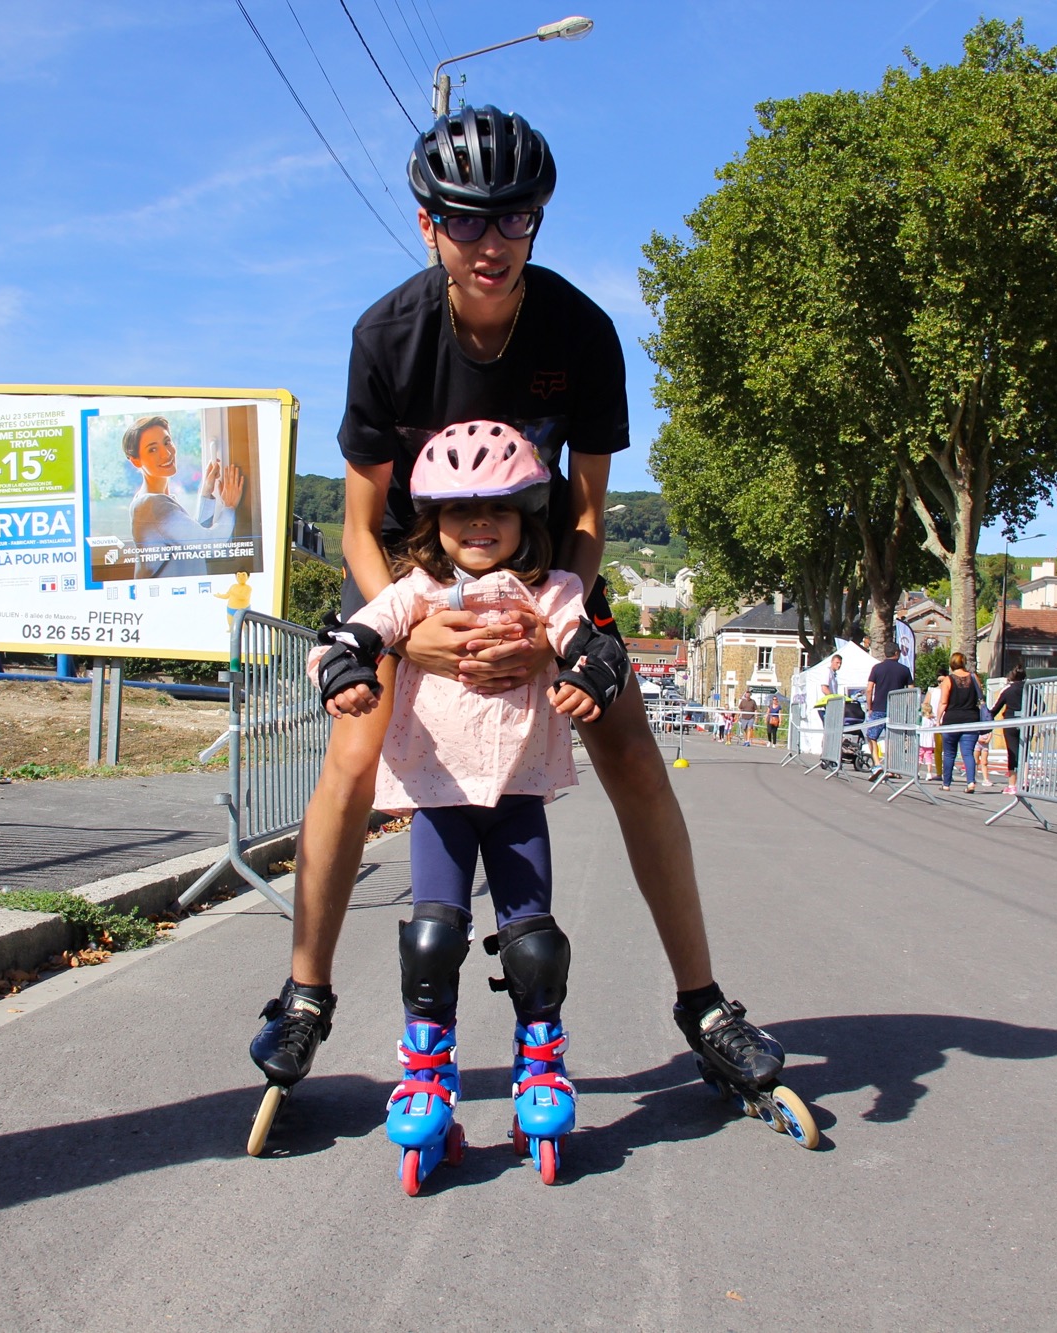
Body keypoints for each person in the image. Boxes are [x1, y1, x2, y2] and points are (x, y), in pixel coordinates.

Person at [248, 104, 785, 1126]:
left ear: (538, 219)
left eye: (514, 221)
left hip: (547, 579)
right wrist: (409, 629)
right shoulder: (388, 337)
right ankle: (305, 992)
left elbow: (585, 513)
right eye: (465, 223)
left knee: (628, 746)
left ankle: (704, 1004)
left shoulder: (579, 332)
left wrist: (559, 616)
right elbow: (361, 526)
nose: (490, 245)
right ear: (427, 226)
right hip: (412, 585)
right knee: (353, 757)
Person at [308, 424, 621, 1190]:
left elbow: (594, 646)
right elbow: (349, 633)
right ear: (430, 521)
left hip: (517, 795)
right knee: (430, 940)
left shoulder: (554, 591)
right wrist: (344, 670)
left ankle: (541, 1065)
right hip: (439, 796)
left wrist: (591, 675)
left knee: (534, 945)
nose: (479, 525)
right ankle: (426, 1073)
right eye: (460, 512)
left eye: (498, 510)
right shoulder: (414, 592)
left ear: (527, 517)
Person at [122, 415, 246, 578]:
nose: (166, 453)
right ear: (135, 461)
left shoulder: (151, 499)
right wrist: (229, 507)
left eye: (167, 442)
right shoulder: (152, 506)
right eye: (152, 449)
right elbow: (209, 545)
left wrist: (206, 492)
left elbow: (192, 543)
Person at [936, 651, 985, 792]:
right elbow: (980, 696)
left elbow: (943, 702)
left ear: (952, 664)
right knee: (968, 753)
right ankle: (971, 782)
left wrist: (938, 720)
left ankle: (946, 784)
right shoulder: (974, 677)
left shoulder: (948, 680)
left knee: (950, 753)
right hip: (971, 719)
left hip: (952, 719)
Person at [865, 648, 912, 769]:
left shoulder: (877, 668)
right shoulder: (904, 670)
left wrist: (870, 707)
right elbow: (911, 691)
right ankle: (891, 767)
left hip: (879, 707)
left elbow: (869, 689)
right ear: (896, 653)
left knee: (872, 736)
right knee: (893, 739)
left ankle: (877, 763)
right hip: (896, 709)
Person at [991, 664, 1027, 794]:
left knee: (1012, 752)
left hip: (1011, 721)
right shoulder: (1030, 689)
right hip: (1027, 721)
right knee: (1025, 752)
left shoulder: (1008, 690)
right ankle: (1024, 780)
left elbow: (996, 708)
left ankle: (1012, 784)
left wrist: (986, 718)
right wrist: (1032, 716)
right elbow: (1042, 705)